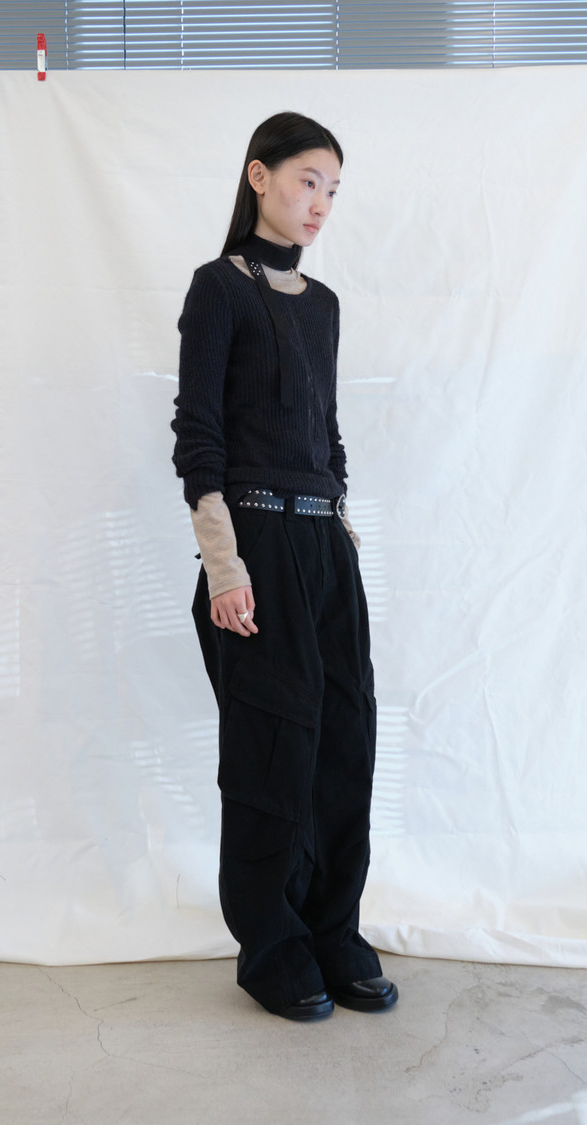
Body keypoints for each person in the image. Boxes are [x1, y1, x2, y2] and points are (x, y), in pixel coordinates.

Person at [171, 111, 397, 1022]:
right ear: (259, 176)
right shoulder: (217, 290)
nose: (321, 203)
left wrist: (341, 533)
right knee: (273, 748)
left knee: (345, 736)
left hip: (324, 545)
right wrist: (223, 564)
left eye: (333, 189)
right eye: (308, 180)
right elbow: (199, 437)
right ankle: (272, 943)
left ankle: (332, 930)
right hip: (254, 542)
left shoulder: (324, 304)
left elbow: (325, 434)